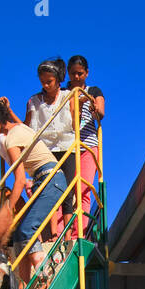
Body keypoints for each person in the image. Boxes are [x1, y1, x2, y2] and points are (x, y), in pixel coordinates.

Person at [0, 95, 67, 289]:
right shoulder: (20, 129)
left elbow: (19, 178)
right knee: (21, 235)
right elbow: (24, 129)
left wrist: (8, 210)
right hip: (47, 179)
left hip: (49, 179)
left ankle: (45, 270)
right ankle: (26, 285)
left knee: (26, 230)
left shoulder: (11, 140)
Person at [25, 58, 74, 231]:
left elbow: (76, 124)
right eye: (42, 82)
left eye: (49, 82)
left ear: (59, 79)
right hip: (45, 150)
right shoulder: (34, 102)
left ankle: (67, 234)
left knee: (68, 192)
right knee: (49, 190)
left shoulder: (69, 96)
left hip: (67, 147)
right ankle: (53, 232)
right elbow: (27, 127)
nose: (45, 86)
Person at [65, 55, 104, 228]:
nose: (77, 77)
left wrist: (93, 107)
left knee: (83, 189)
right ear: (68, 73)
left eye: (80, 73)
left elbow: (100, 113)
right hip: (66, 145)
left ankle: (79, 231)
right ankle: (60, 232)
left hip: (87, 145)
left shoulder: (93, 91)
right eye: (73, 73)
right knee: (63, 191)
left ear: (87, 73)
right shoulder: (63, 93)